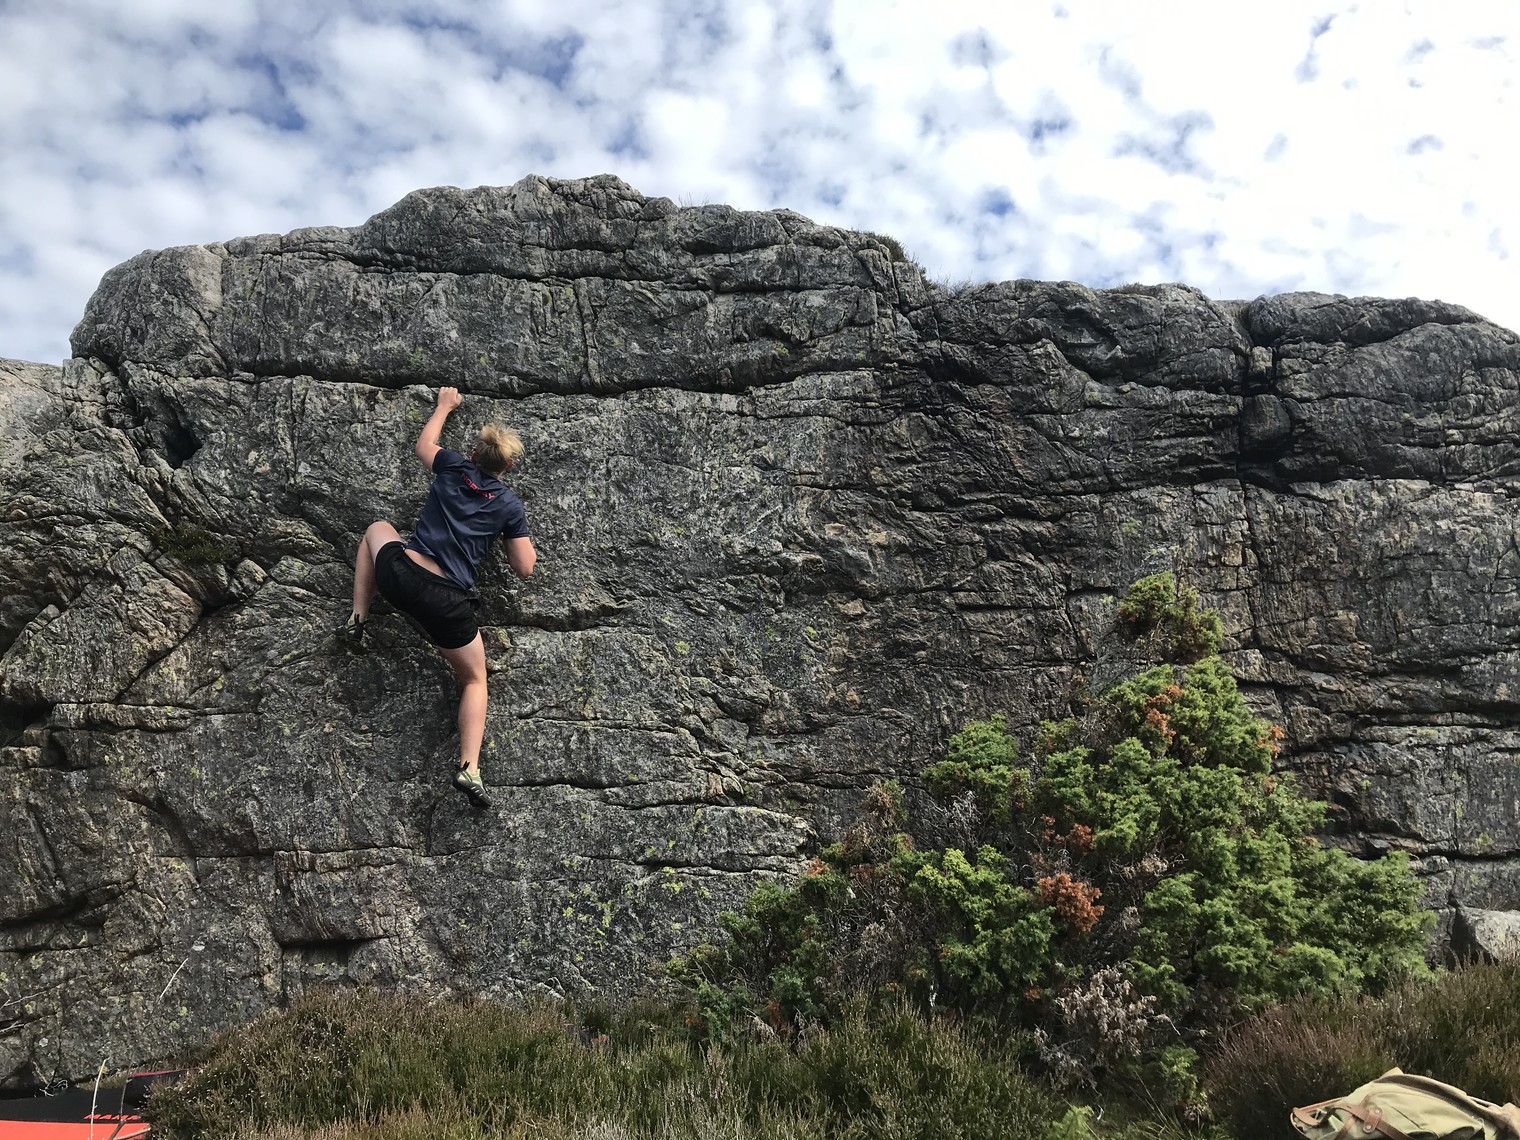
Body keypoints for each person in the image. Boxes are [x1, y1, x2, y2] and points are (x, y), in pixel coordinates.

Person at [345, 386, 536, 807]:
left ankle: (358, 617)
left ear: (474, 453)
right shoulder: (509, 505)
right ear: (508, 465)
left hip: (402, 576)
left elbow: (424, 446)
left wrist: (444, 406)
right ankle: (470, 768)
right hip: (446, 602)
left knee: (376, 529)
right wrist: (512, 529)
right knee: (474, 679)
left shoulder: (452, 466)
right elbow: (524, 568)